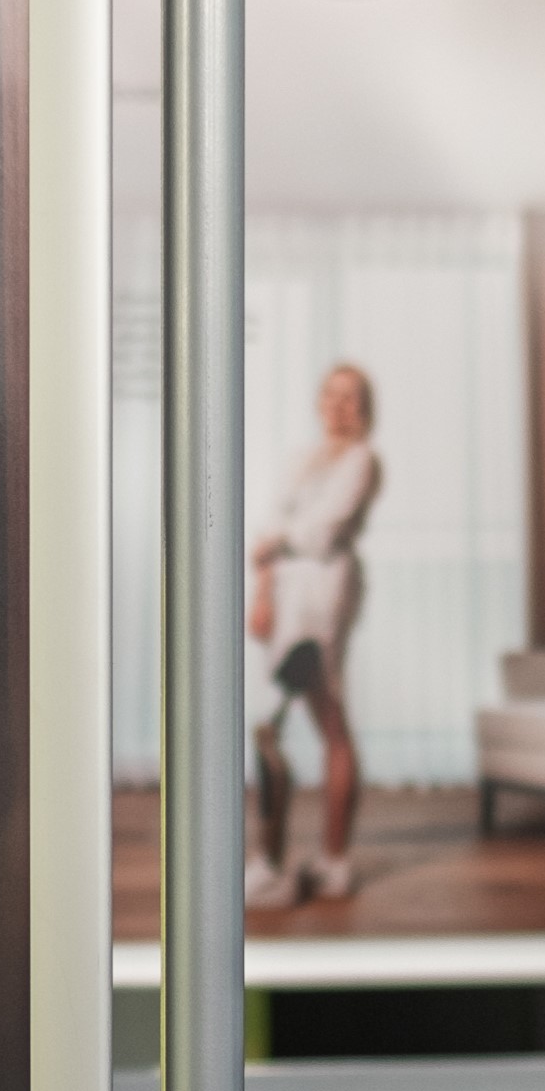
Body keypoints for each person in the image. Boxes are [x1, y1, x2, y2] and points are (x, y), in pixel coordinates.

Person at [246, 362, 381, 909]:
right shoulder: (303, 458)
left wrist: (277, 542)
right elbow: (269, 529)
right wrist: (262, 593)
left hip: (323, 596)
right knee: (296, 723)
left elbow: (324, 531)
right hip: (285, 595)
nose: (338, 406)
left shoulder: (362, 460)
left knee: (312, 721)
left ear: (364, 408)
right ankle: (285, 860)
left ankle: (323, 861)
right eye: (331, 394)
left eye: (350, 398)